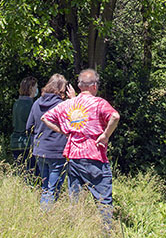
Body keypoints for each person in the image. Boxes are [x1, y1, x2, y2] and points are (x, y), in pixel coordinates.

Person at [41, 69, 120, 227]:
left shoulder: (69, 104)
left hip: (73, 156)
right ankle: (107, 233)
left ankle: (76, 230)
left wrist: (63, 131)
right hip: (95, 155)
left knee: (76, 198)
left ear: (79, 86)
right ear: (94, 86)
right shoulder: (99, 103)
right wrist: (105, 135)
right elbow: (115, 116)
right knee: (103, 198)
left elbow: (45, 118)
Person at [26, 74, 75, 205]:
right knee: (53, 189)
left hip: (40, 150)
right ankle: (46, 217)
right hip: (57, 151)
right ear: (61, 89)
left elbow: (29, 126)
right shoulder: (63, 105)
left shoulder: (37, 103)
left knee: (46, 187)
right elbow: (76, 123)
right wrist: (74, 100)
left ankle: (45, 212)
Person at [9, 75, 38, 166]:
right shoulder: (31, 105)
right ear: (31, 88)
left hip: (15, 142)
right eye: (36, 87)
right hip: (27, 143)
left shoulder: (16, 103)